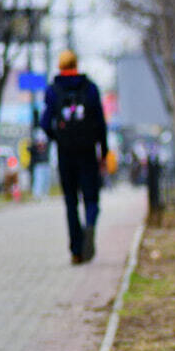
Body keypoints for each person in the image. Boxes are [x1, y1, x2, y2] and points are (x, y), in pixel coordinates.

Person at [41, 50, 108, 265]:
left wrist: (57, 138)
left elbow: (45, 122)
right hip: (88, 151)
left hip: (65, 153)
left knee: (70, 201)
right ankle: (90, 223)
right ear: (76, 64)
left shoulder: (53, 90)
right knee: (91, 198)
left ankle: (76, 250)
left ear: (60, 66)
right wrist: (103, 152)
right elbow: (100, 123)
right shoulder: (90, 88)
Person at [30, 127, 52, 200]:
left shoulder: (47, 147)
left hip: (46, 163)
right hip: (38, 164)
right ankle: (37, 194)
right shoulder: (34, 149)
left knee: (46, 180)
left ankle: (45, 193)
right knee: (38, 179)